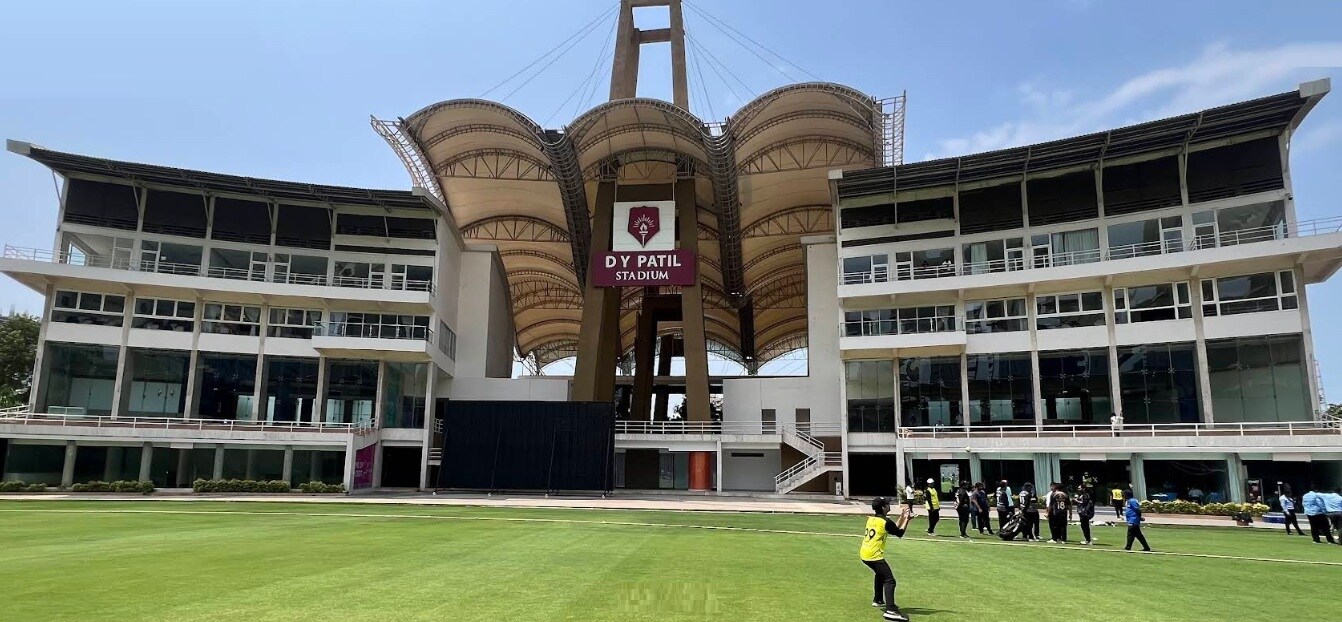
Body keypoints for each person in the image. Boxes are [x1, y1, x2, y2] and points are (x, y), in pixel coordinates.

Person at [860, 497, 913, 622]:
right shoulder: (885, 522)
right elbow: (899, 533)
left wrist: (902, 517)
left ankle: (878, 600)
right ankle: (891, 610)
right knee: (890, 580)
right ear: (883, 507)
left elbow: (893, 528)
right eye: (888, 504)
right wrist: (907, 519)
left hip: (865, 553)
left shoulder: (872, 519)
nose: (889, 505)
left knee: (880, 574)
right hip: (873, 555)